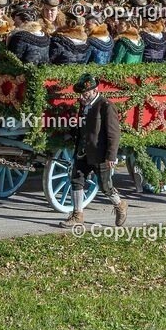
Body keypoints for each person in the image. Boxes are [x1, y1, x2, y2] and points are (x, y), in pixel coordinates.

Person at [60, 73, 127, 228]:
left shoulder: (106, 106)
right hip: (83, 151)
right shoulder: (84, 105)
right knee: (76, 180)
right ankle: (77, 215)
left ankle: (120, 205)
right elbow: (82, 127)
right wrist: (71, 134)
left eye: (87, 92)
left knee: (105, 186)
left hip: (99, 154)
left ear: (96, 89)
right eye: (83, 93)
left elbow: (113, 133)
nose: (84, 95)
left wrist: (111, 156)